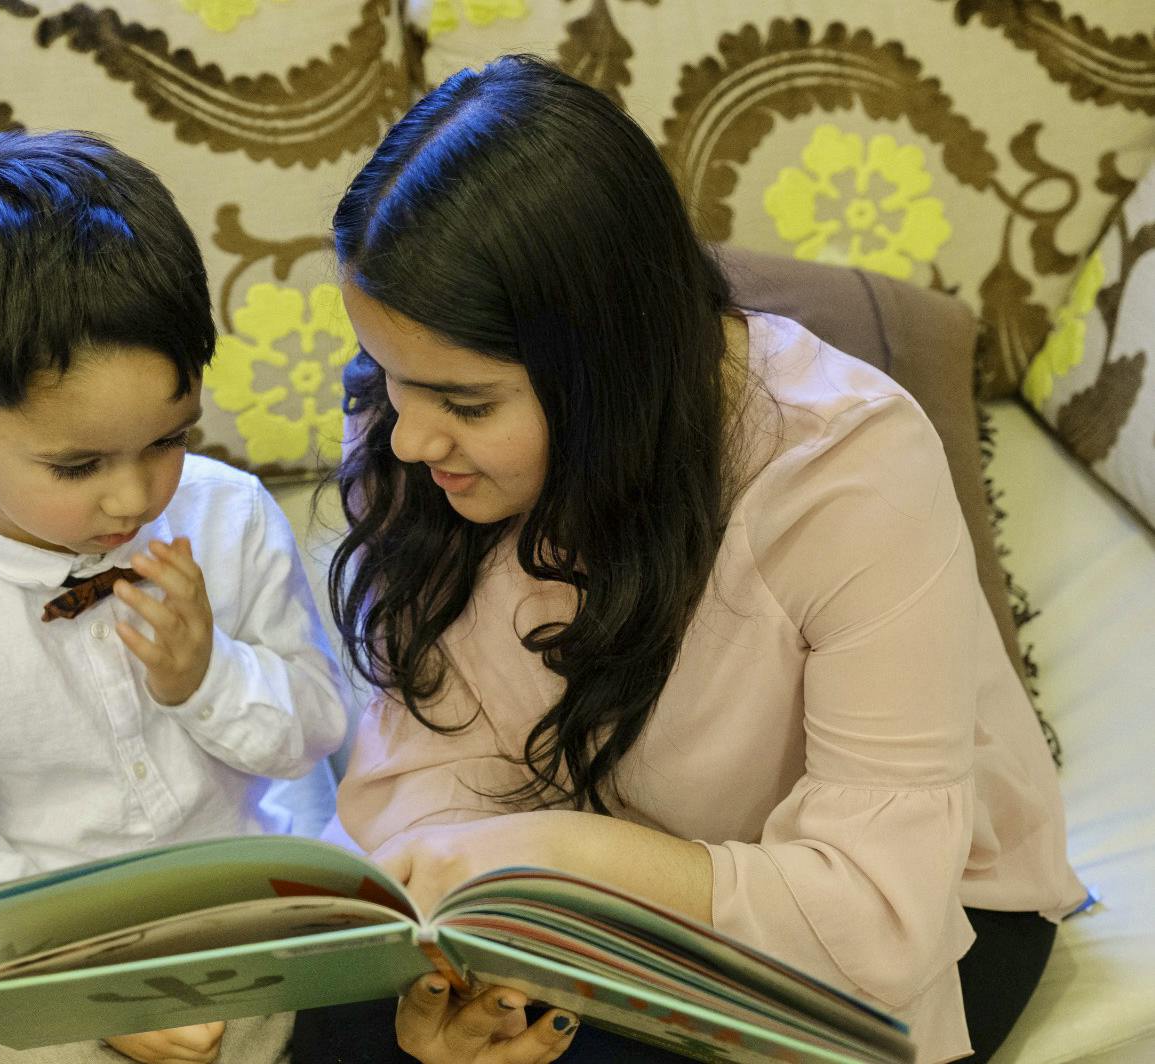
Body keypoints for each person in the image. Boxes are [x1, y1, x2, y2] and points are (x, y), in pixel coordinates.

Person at [290, 55, 1088, 1064]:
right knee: (339, 1027)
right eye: (388, 374)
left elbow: (877, 913)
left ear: (608, 368)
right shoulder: (411, 432)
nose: (408, 438)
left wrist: (549, 858)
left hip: (901, 910)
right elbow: (427, 775)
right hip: (571, 880)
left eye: (466, 401)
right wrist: (460, 964)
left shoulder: (847, 474)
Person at [0, 130, 349, 1064]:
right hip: (16, 914)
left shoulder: (232, 517)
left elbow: (311, 737)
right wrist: (87, 984)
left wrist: (207, 677)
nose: (132, 499)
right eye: (77, 465)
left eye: (168, 441)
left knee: (338, 1011)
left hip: (219, 892)